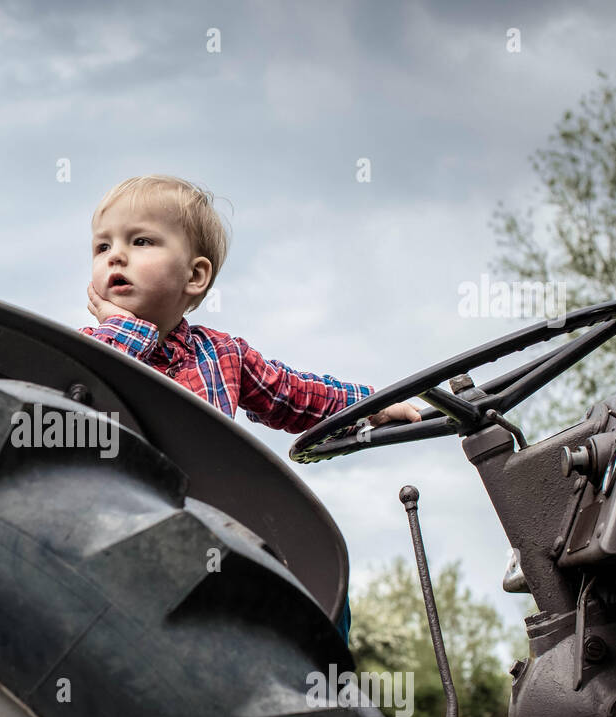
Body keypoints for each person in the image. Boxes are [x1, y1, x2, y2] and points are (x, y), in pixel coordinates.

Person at [79, 174, 421, 641]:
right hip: (127, 529)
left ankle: (326, 685)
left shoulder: (224, 355)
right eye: (102, 247)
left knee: (320, 577)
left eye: (141, 241)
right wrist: (127, 331)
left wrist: (372, 405)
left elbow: (297, 395)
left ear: (196, 277)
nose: (115, 255)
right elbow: (88, 393)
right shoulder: (88, 352)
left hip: (217, 529)